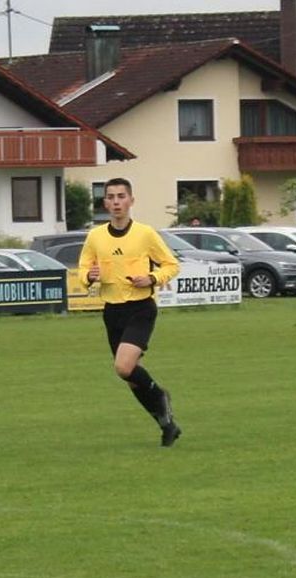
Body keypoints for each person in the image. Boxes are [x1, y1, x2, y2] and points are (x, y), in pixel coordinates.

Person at [78, 178, 183, 446]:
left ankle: (161, 396)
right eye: (111, 197)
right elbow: (83, 269)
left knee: (123, 367)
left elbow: (171, 265)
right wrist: (89, 276)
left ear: (131, 201)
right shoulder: (95, 236)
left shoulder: (145, 234)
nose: (116, 202)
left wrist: (152, 278)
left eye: (121, 196)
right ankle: (166, 424)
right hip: (112, 311)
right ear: (105, 203)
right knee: (130, 377)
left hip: (141, 308)